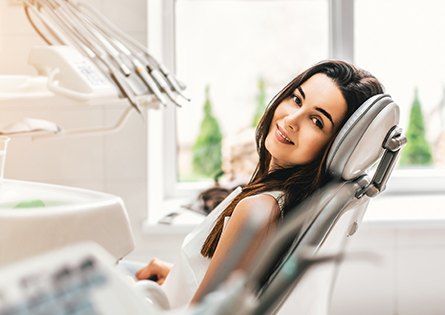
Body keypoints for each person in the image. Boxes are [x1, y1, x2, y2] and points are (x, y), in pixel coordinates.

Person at [134, 60, 384, 308]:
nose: (291, 120)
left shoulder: (258, 210)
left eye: (317, 121)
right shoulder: (284, 202)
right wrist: (175, 276)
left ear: (335, 147)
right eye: (297, 99)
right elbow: (234, 290)